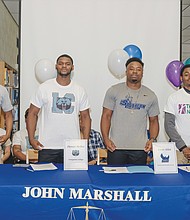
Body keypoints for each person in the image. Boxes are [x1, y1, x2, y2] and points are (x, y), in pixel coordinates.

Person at [27, 54, 91, 163]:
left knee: (72, 179)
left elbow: (86, 117)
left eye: (67, 64)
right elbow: (32, 114)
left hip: (72, 146)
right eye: (61, 64)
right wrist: (32, 138)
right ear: (56, 66)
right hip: (47, 146)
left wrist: (85, 141)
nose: (64, 66)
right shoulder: (44, 87)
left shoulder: (79, 90)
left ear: (72, 67)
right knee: (46, 179)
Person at [101, 57, 160, 165]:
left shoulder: (151, 95)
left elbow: (154, 121)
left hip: (140, 149)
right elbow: (106, 116)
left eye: (138, 69)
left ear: (142, 73)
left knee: (138, 181)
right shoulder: (114, 90)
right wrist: (105, 138)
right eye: (131, 68)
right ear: (126, 72)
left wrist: (152, 139)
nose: (135, 72)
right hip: (115, 147)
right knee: (115, 180)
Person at [164, 64, 190, 164]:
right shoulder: (174, 98)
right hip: (179, 150)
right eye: (186, 74)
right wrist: (183, 147)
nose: (189, 77)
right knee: (179, 179)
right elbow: (169, 125)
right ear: (181, 78)